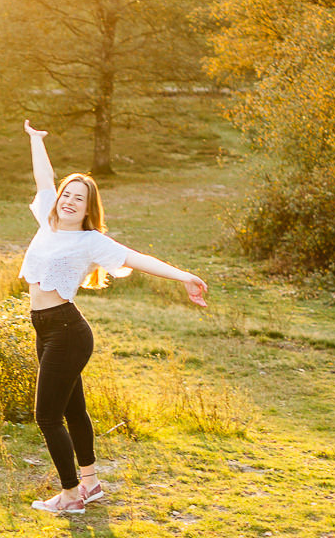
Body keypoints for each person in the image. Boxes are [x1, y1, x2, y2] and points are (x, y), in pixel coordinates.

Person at [20, 120, 207, 516]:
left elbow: (138, 259)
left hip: (68, 332)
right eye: (66, 195)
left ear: (89, 209)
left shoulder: (91, 241)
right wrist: (36, 140)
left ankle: (71, 496)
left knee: (47, 416)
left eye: (79, 199)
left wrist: (184, 276)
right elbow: (43, 179)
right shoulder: (47, 223)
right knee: (72, 410)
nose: (69, 201)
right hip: (47, 328)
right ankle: (91, 483)